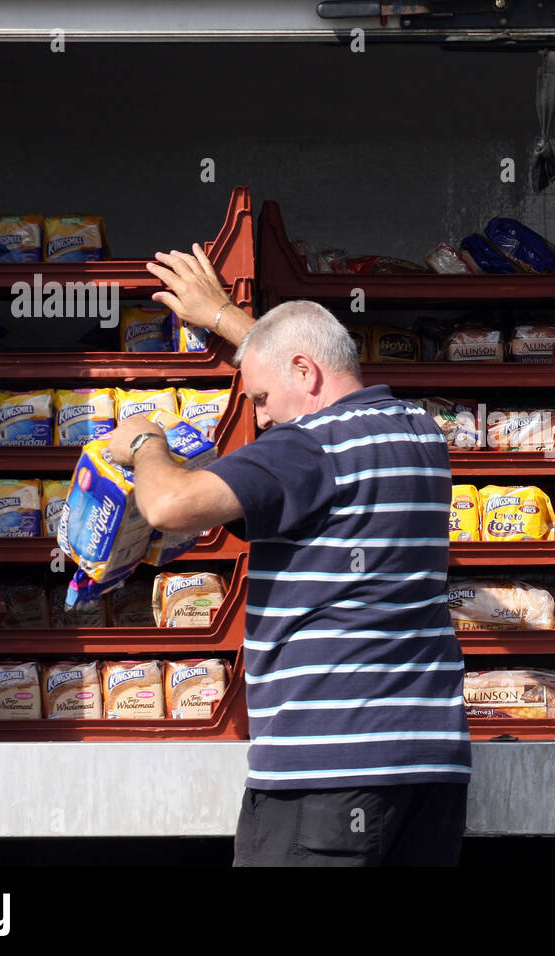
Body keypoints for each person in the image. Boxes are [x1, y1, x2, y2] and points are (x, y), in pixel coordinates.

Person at [106, 244, 471, 866]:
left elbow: (168, 506)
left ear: (304, 373)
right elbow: (303, 358)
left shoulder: (302, 450)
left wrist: (144, 443)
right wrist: (222, 315)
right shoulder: (416, 431)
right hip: (428, 767)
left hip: (327, 771)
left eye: (262, 400)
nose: (262, 418)